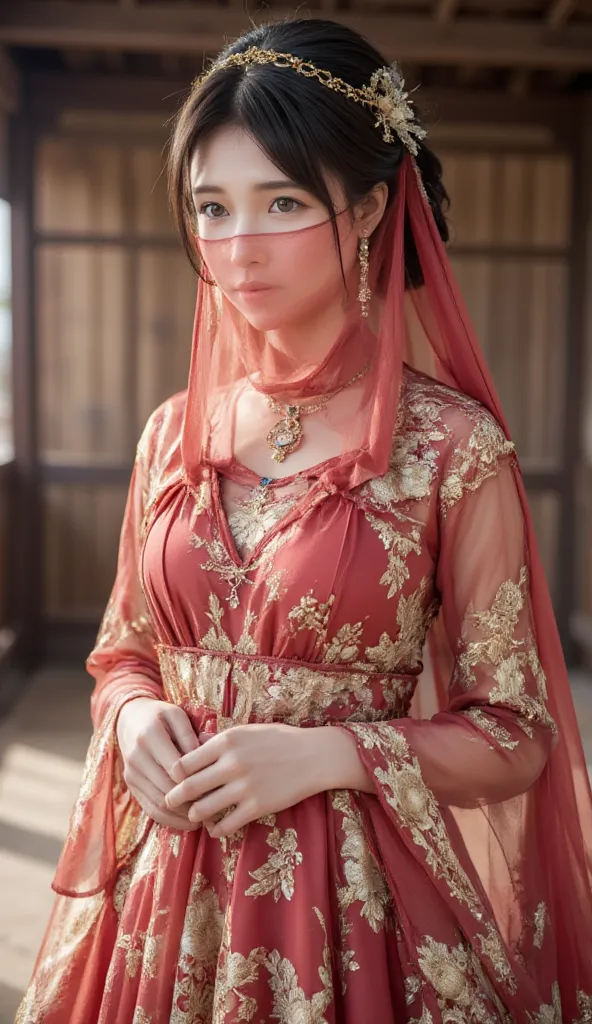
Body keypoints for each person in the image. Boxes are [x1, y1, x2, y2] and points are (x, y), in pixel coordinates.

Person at [16, 18, 592, 1024]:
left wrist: (336, 752)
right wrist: (135, 714)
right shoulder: (170, 436)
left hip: (346, 900)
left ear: (367, 206)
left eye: (279, 200)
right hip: (160, 887)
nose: (235, 245)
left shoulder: (453, 451)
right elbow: (124, 651)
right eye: (211, 206)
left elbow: (518, 729)